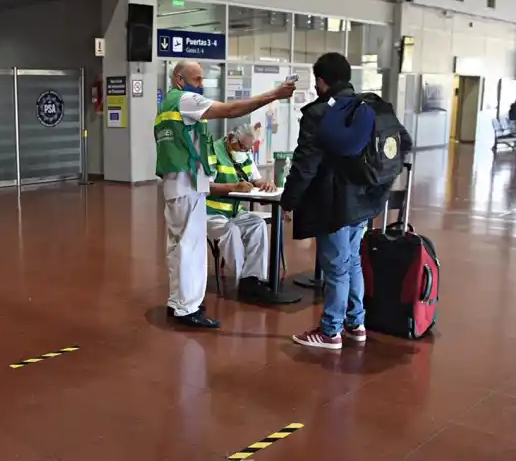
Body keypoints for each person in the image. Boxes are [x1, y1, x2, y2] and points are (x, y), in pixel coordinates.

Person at [281, 52, 412, 349]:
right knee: (352, 262)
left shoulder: (318, 114)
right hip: (366, 201)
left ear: (321, 81)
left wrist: (289, 199)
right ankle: (356, 323)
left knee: (337, 268)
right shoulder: (366, 106)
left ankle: (330, 331)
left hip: (334, 204)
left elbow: (305, 164)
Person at [155, 60, 294, 328]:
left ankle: (179, 302)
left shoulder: (167, 106)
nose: (201, 85)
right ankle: (188, 309)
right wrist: (274, 94)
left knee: (178, 247)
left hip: (176, 183)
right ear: (178, 79)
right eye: (196, 79)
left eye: (202, 79)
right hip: (188, 184)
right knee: (190, 248)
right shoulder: (184, 100)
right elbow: (230, 110)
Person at [206, 124, 275, 301]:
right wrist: (234, 187)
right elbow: (206, 186)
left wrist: (265, 184)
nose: (246, 151)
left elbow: (255, 178)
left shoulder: (244, 154)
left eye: (249, 148)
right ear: (231, 140)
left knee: (257, 224)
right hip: (211, 212)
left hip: (235, 211)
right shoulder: (212, 151)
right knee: (232, 231)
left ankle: (252, 278)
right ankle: (241, 278)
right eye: (243, 147)